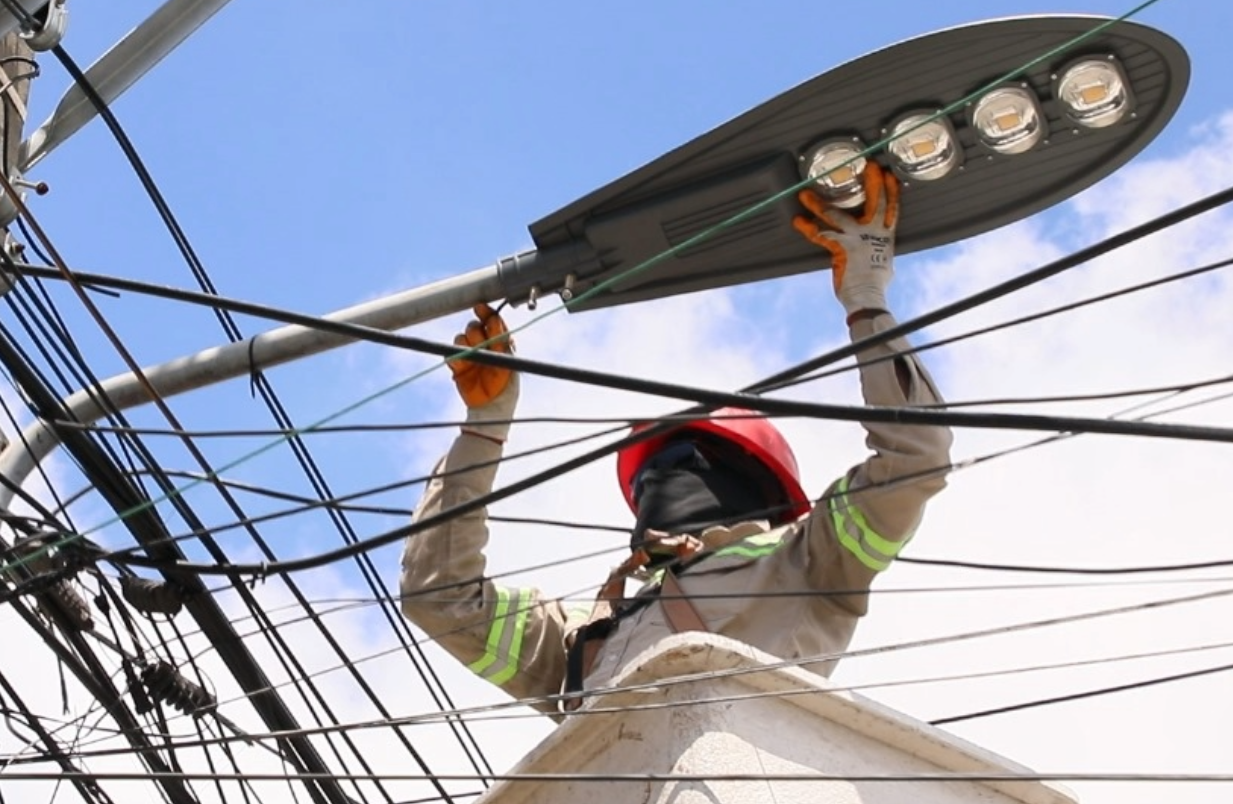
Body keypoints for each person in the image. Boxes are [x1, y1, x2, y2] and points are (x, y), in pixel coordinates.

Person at [399, 161, 953, 717]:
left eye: (687, 458)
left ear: (757, 482)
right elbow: (439, 597)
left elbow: (915, 458)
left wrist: (865, 298)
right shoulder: (584, 631)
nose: (660, 479)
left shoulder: (806, 563)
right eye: (647, 475)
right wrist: (485, 426)